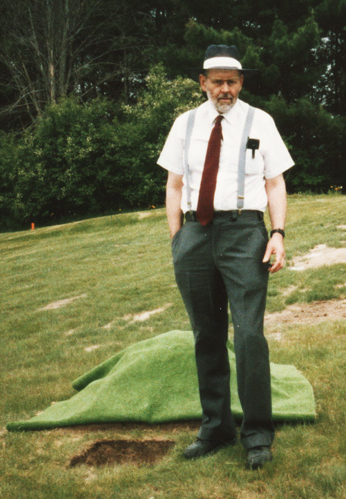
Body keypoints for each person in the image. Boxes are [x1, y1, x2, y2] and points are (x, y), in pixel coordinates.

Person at [157, 44, 294, 470]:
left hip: (244, 232)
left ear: (241, 83)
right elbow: (175, 185)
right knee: (206, 333)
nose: (225, 89)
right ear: (203, 83)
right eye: (217, 81)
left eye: (232, 81)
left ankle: (256, 434)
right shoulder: (185, 124)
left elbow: (275, 183)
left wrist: (277, 233)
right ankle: (216, 426)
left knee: (249, 334)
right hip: (195, 233)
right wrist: (178, 239)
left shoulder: (260, 121)